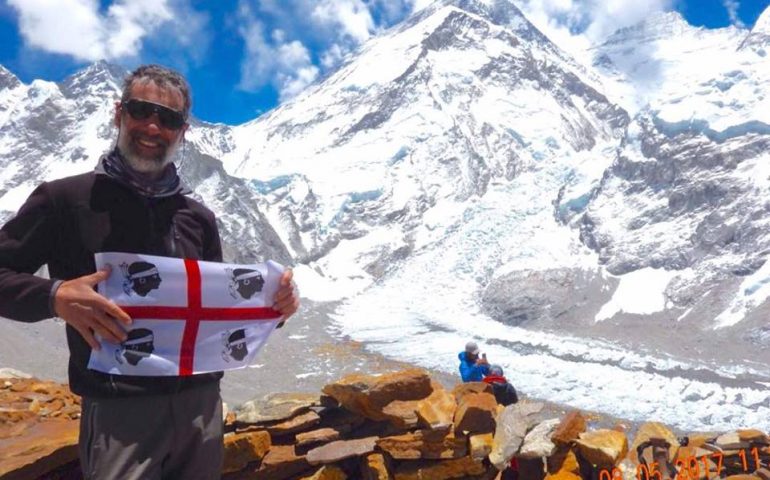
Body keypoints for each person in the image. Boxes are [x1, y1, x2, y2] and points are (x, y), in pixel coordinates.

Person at [0, 64, 299, 479]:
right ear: (118, 113)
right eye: (142, 111)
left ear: (183, 132)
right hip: (120, 410)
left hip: (200, 406)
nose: (153, 126)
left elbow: (222, 307)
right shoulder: (65, 200)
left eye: (169, 119)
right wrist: (55, 297)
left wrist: (276, 307)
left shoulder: (198, 218)